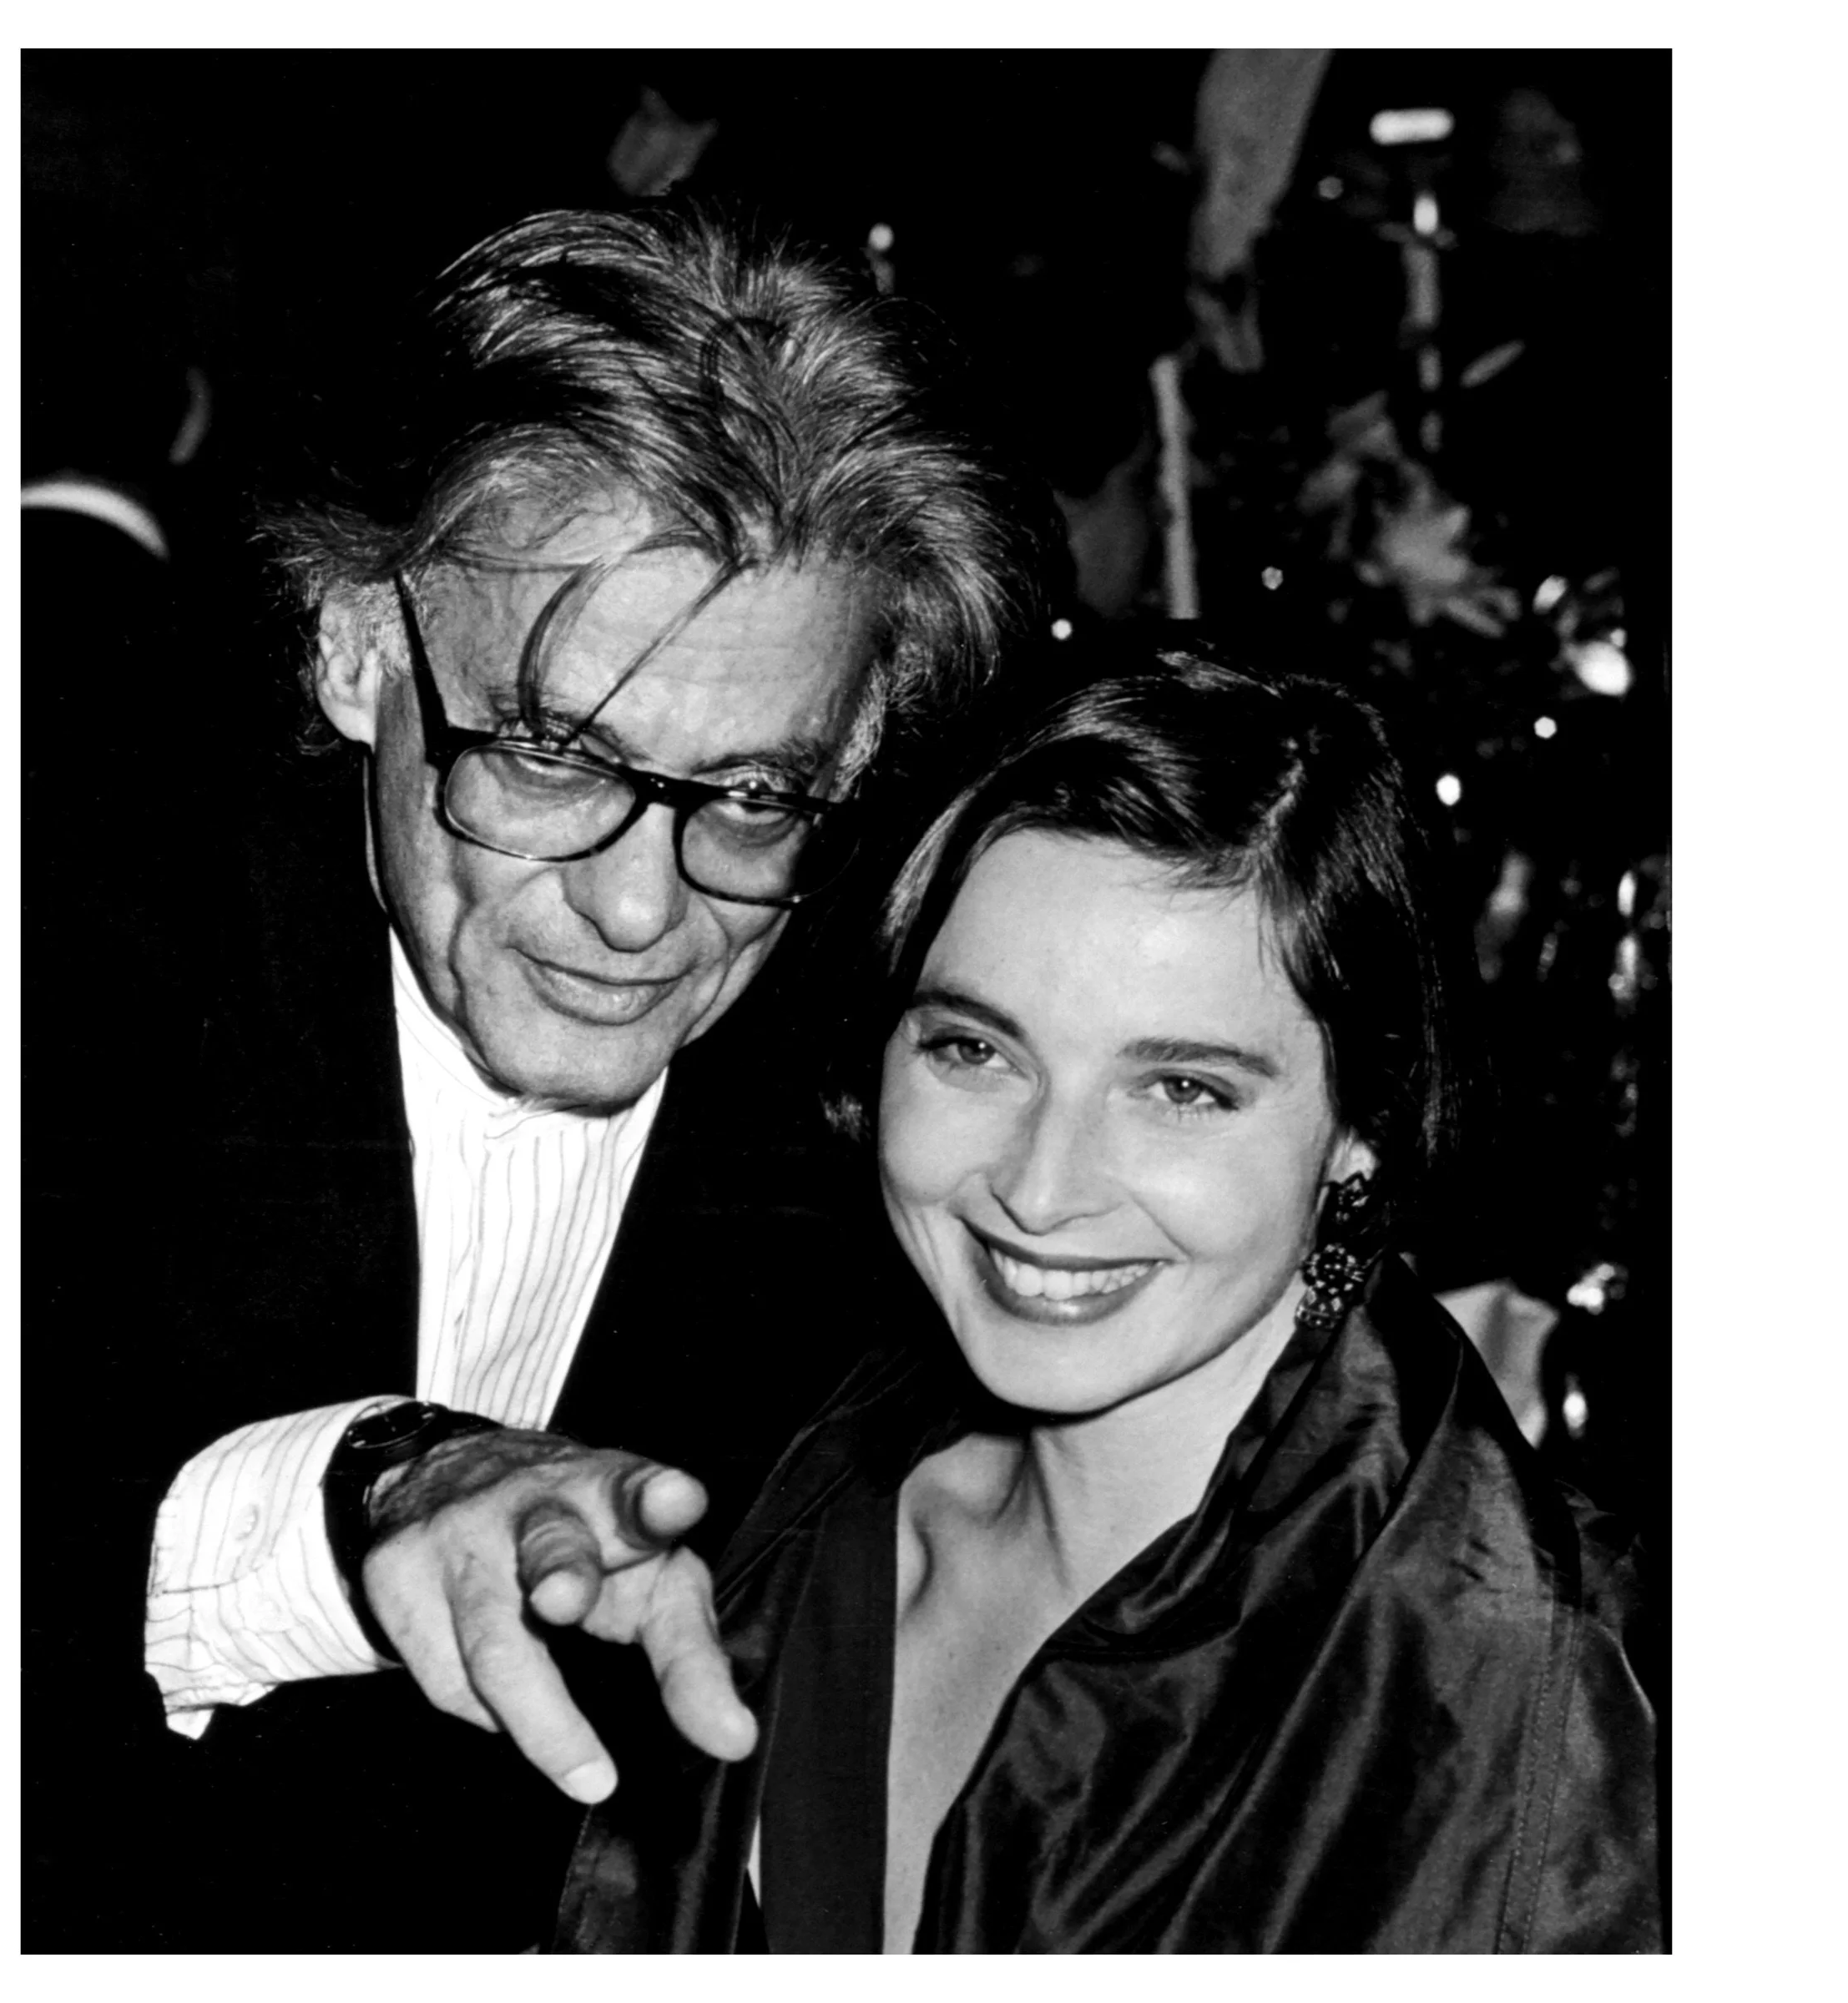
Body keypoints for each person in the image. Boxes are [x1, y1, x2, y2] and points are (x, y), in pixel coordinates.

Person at [23, 202, 1055, 1949]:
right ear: (360, 651)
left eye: (754, 794)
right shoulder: (51, 966)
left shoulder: (886, 1074)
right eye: (554, 758)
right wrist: (378, 1487)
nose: (644, 912)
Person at [553, 656, 1662, 1953]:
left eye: (1181, 1088)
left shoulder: (1565, 1698)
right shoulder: (766, 1517)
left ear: (1360, 1129)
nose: (1039, 1187)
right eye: (974, 1050)